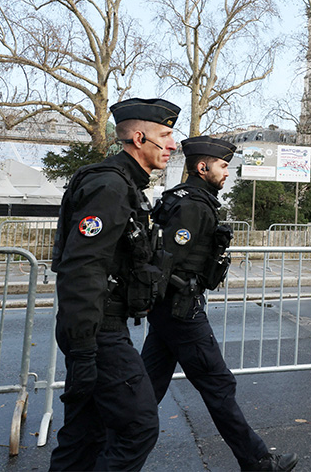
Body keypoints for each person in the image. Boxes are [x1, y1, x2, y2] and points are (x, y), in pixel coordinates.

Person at [141, 136, 298, 472]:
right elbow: (167, 262)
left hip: (171, 312)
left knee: (145, 391)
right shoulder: (193, 206)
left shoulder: (190, 200)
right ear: (203, 167)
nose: (227, 172)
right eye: (223, 166)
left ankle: (105, 452)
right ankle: (257, 461)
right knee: (218, 384)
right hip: (181, 311)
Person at [50, 97, 180, 471]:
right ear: (139, 138)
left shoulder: (125, 184)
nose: (172, 145)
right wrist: (86, 349)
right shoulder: (110, 185)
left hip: (100, 326)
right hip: (98, 330)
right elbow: (82, 268)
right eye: (166, 135)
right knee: (138, 427)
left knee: (83, 437)